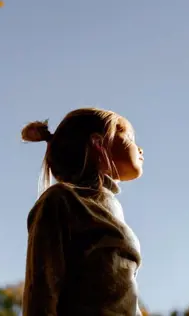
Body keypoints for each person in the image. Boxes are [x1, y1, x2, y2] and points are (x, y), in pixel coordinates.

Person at [20, 108, 145, 316]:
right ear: (98, 143)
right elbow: (41, 289)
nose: (139, 149)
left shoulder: (113, 210)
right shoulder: (61, 200)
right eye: (129, 137)